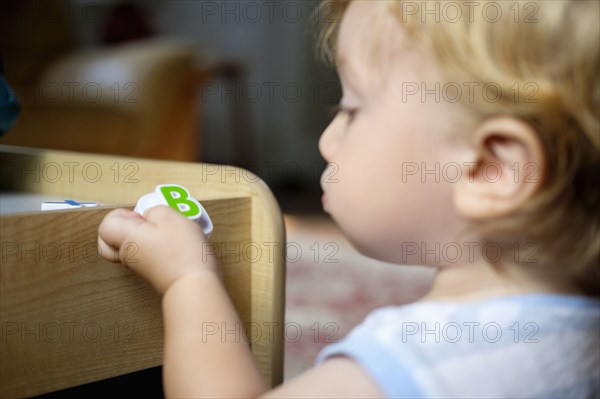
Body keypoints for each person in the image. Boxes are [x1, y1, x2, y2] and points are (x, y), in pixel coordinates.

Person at [98, 1, 599, 397]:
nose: (325, 141)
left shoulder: (413, 364)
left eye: (351, 108)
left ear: (491, 170)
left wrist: (188, 279)